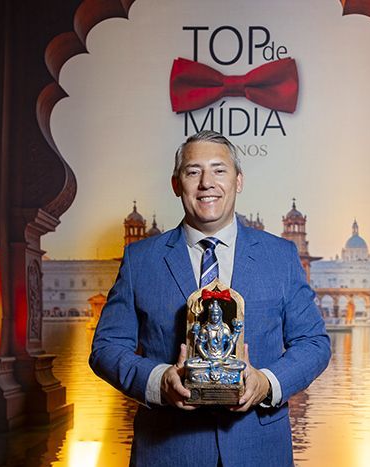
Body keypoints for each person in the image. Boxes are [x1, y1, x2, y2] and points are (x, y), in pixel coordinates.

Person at [90, 130, 331, 466]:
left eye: (219, 170)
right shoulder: (140, 260)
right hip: (168, 452)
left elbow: (314, 343)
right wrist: (159, 381)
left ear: (238, 180)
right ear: (176, 184)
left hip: (259, 451)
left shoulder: (280, 256)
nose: (207, 183)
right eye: (193, 172)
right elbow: (106, 348)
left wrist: (266, 383)